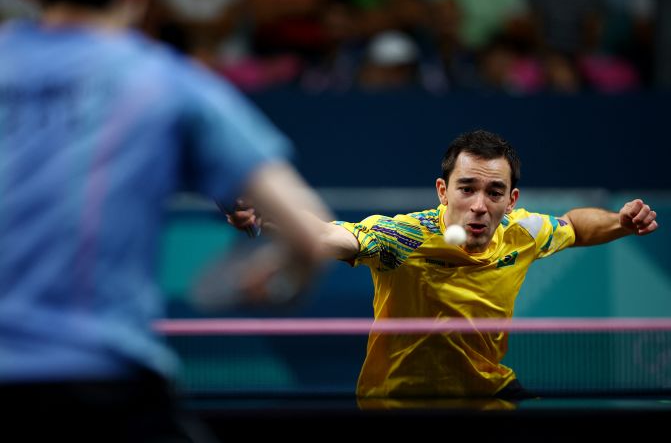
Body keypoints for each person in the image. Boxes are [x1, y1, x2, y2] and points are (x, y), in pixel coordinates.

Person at [0, 0, 332, 441]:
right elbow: (307, 234)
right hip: (101, 385)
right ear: (138, 1)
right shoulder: (165, 80)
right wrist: (285, 279)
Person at [229, 129, 659, 400]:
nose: (478, 205)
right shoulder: (403, 237)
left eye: (493, 193)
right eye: (466, 188)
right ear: (442, 190)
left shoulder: (523, 231)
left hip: (489, 397)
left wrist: (620, 223)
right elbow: (324, 235)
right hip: (401, 402)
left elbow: (576, 226)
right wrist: (265, 211)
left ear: (511, 201)